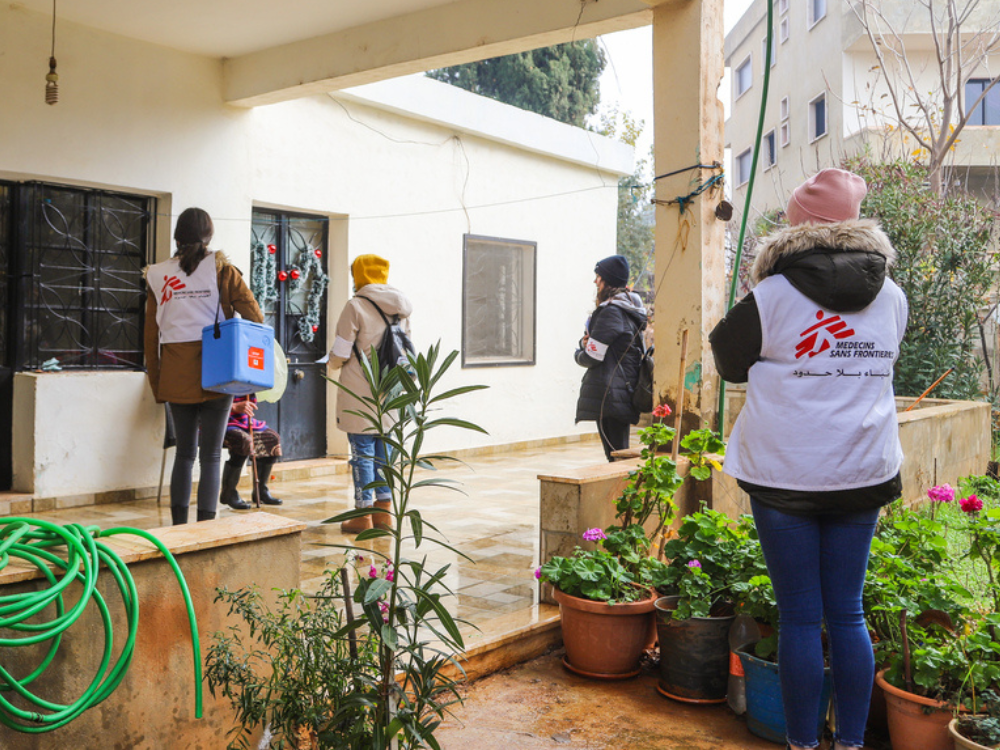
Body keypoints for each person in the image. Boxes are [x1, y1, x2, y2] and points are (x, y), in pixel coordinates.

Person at [709, 168, 907, 750]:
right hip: (863, 470)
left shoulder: (770, 296)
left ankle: (801, 744)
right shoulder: (892, 296)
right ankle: (850, 743)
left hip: (783, 472)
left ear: (796, 228)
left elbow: (728, 362)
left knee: (798, 615)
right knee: (846, 613)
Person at [144, 207, 264, 525]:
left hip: (174, 372)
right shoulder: (223, 270)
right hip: (218, 371)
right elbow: (256, 316)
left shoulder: (157, 275)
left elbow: (150, 336)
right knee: (211, 455)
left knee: (185, 453)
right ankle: (207, 527)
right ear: (208, 236)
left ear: (177, 237)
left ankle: (178, 527)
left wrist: (158, 385)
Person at [328, 254, 412, 534]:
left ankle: (362, 516)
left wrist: (330, 364)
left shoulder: (355, 305)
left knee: (362, 451)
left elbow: (341, 352)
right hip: (391, 389)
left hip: (359, 389)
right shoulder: (400, 308)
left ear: (359, 275)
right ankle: (383, 514)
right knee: (384, 451)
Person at [574, 254, 647, 461]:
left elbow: (593, 356)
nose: (595, 281)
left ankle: (627, 484)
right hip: (621, 391)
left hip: (611, 395)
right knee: (618, 454)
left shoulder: (611, 312)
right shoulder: (628, 308)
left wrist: (578, 353)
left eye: (598, 277)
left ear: (608, 281)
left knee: (616, 456)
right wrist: (586, 343)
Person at [220, 394, 283, 510]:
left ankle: (260, 491)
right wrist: (233, 406)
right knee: (243, 441)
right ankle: (228, 493)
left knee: (272, 438)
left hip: (244, 421)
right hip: (223, 421)